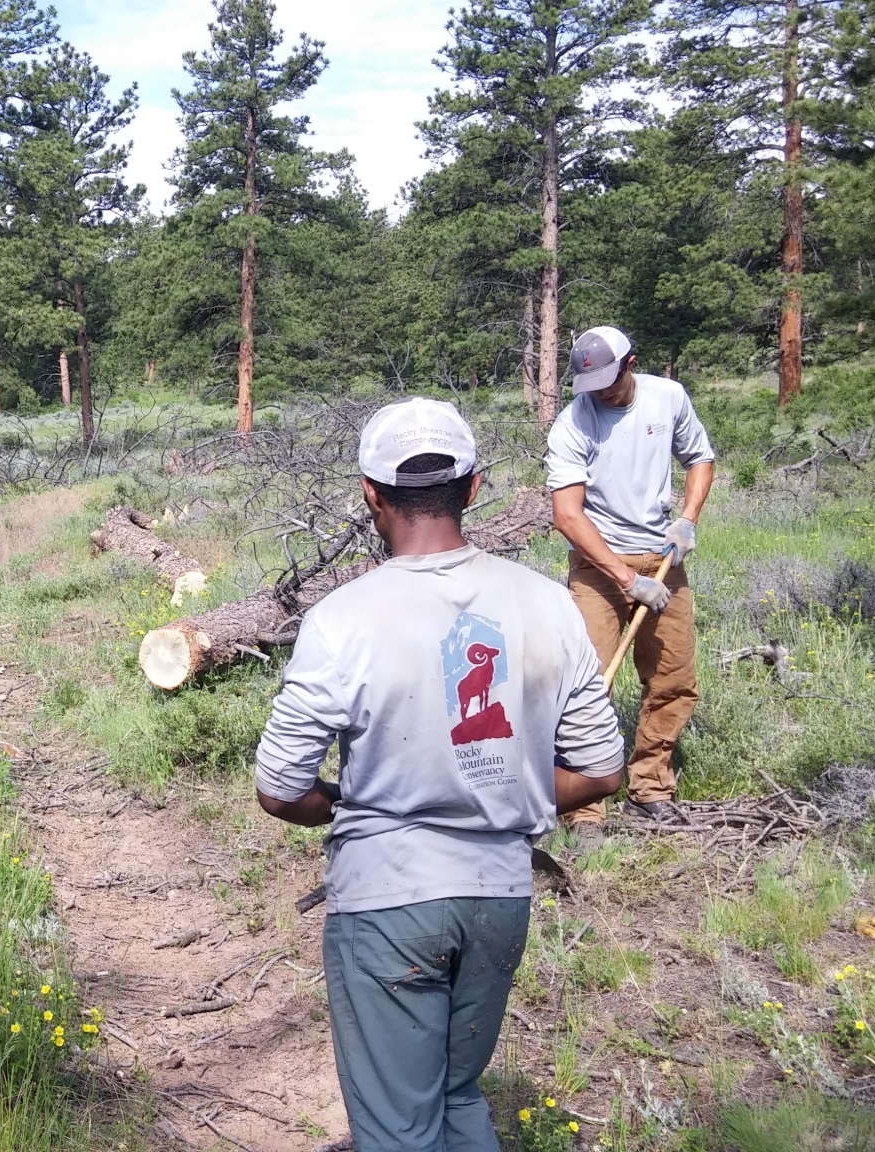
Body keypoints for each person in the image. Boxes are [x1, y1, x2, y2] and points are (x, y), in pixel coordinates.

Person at [255, 398, 628, 1152]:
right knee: (459, 1095)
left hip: (388, 900)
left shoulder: (343, 618)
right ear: (476, 485)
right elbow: (601, 768)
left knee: (398, 1126)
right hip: (498, 897)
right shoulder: (550, 605)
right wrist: (505, 786)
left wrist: (340, 803)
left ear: (370, 492)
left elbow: (279, 787)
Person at [545, 326, 716, 827]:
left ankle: (650, 786)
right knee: (588, 684)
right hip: (599, 564)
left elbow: (700, 458)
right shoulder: (572, 424)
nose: (601, 392)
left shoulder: (668, 398)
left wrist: (688, 519)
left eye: (609, 381)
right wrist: (624, 578)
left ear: (631, 363)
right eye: (590, 383)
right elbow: (568, 516)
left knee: (673, 679)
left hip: (662, 559)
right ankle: (583, 807)